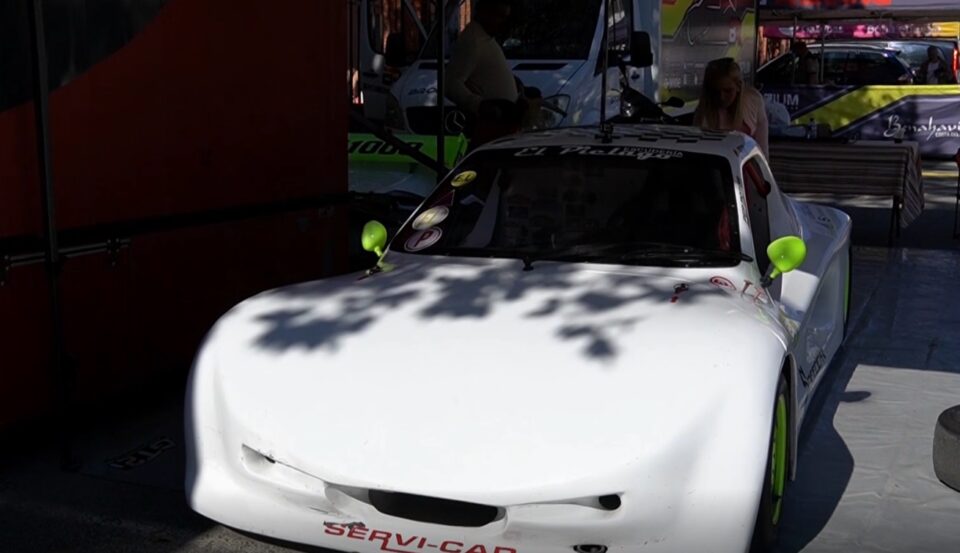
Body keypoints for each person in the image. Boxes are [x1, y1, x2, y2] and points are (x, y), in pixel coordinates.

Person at [443, 0, 536, 144]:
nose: (502, 22)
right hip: (491, 126)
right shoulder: (473, 42)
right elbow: (450, 84)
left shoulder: (485, 38)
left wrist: (513, 83)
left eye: (505, 17)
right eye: (499, 16)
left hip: (505, 124)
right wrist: (480, 105)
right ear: (484, 12)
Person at [694, 58, 770, 158]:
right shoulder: (704, 111)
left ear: (739, 86)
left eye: (727, 91)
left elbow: (762, 152)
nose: (721, 97)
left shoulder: (754, 101)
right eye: (715, 91)